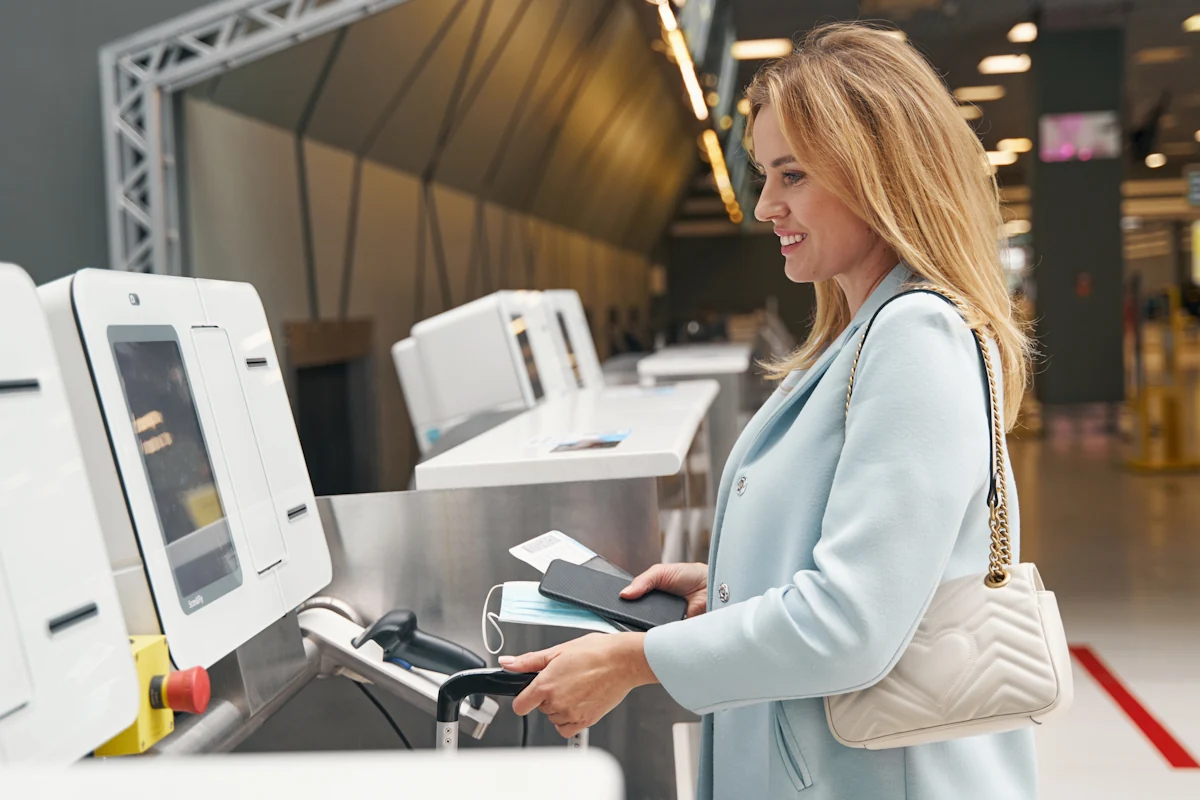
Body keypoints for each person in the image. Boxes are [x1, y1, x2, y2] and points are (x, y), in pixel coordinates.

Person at [501, 22, 1034, 799]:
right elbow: (867, 563)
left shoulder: (916, 336)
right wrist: (730, 582)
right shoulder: (861, 336)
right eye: (763, 175)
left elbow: (851, 624)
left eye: (792, 177)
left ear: (875, 172)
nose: (765, 208)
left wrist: (629, 663)